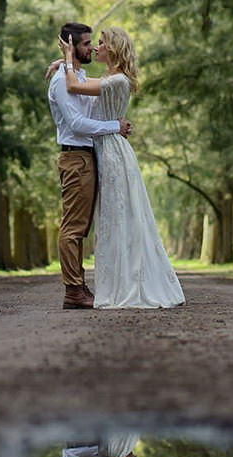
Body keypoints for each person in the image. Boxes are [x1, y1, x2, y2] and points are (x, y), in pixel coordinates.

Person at [58, 28, 185, 308]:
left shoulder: (117, 80)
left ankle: (127, 283)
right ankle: (114, 281)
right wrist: (64, 64)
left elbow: (75, 86)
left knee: (118, 216)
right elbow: (79, 81)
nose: (96, 48)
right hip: (103, 148)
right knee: (110, 218)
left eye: (101, 43)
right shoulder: (109, 78)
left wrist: (68, 59)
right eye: (94, 43)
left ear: (113, 49)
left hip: (112, 150)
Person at [47, 22, 133, 310]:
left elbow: (92, 92)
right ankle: (73, 290)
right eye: (85, 44)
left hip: (88, 156)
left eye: (93, 43)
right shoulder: (62, 80)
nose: (92, 47)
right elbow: (76, 123)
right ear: (71, 46)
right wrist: (114, 126)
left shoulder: (78, 74)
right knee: (73, 227)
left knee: (81, 227)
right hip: (75, 158)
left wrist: (66, 61)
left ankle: (79, 285)